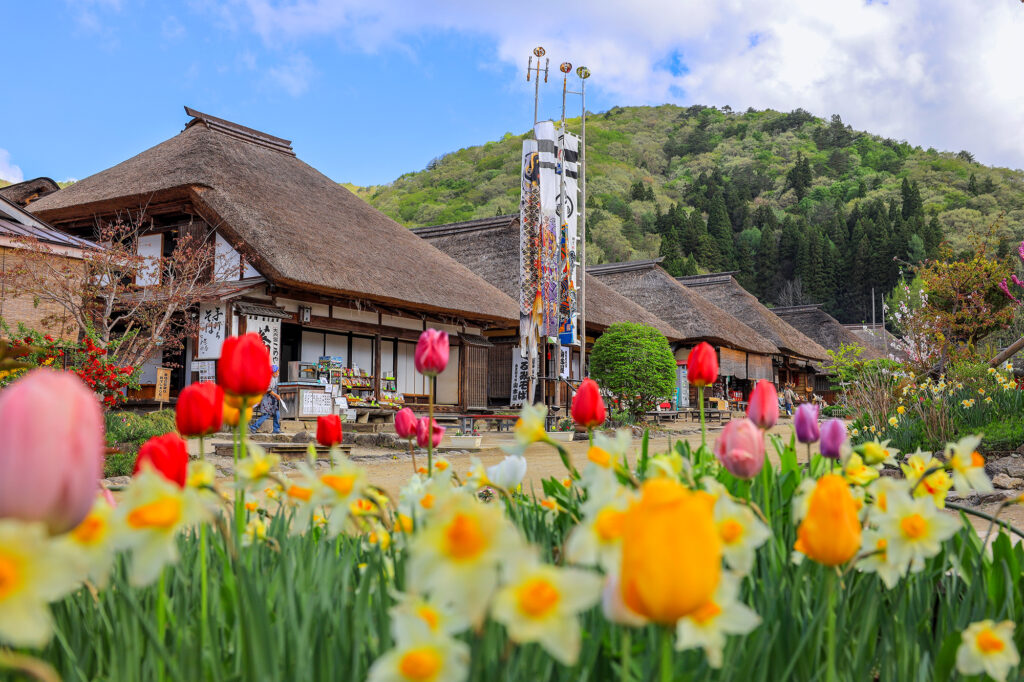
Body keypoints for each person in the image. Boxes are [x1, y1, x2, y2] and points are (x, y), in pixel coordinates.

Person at [251, 364, 282, 434]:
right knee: (266, 414)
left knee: (276, 413)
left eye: (278, 371)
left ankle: (276, 429)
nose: (277, 373)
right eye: (276, 372)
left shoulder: (275, 378)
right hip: (267, 398)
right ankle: (254, 427)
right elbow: (268, 389)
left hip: (272, 399)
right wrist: (276, 395)